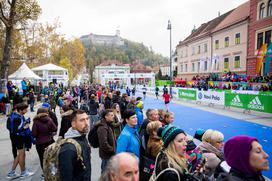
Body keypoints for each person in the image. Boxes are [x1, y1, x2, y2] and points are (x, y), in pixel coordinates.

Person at [58, 109, 91, 181]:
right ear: (73, 124)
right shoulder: (68, 149)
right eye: (82, 120)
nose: (87, 123)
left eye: (87, 119)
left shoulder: (82, 137)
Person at [6, 103, 34, 179]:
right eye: (25, 109)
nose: (27, 110)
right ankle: (23, 172)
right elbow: (15, 130)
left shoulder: (15, 115)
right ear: (21, 110)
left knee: (20, 155)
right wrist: (25, 127)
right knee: (22, 155)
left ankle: (12, 172)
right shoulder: (17, 118)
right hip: (18, 138)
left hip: (17, 138)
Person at [32, 107, 57, 171]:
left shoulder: (36, 121)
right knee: (50, 157)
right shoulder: (49, 120)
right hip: (49, 141)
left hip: (40, 143)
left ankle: (45, 172)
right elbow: (54, 129)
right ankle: (51, 171)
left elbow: (34, 134)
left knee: (42, 158)